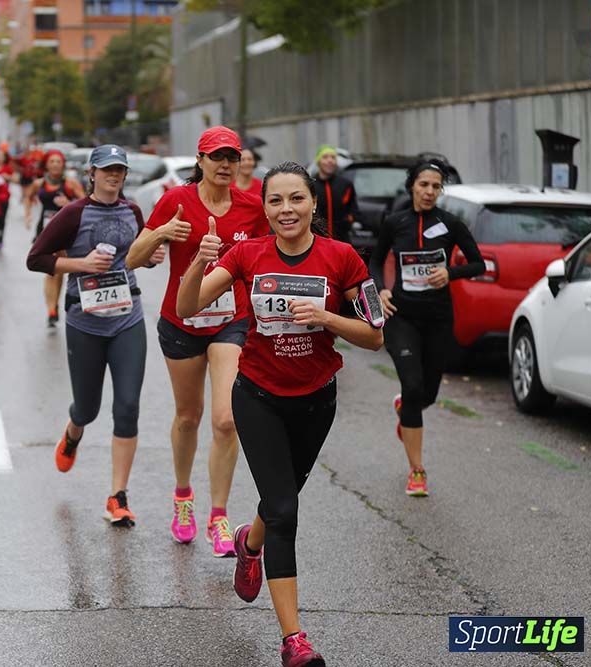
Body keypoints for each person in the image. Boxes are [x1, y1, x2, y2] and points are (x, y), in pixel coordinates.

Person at [177, 161, 383, 667]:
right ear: (264, 206)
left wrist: (328, 317)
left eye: (296, 199)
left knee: (278, 501)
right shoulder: (247, 253)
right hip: (259, 397)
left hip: (316, 400)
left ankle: (250, 543)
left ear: (314, 204)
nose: (286, 209)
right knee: (286, 510)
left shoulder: (344, 257)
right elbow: (187, 307)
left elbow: (375, 336)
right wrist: (199, 263)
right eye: (275, 201)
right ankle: (294, 641)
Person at [126, 126, 268, 557]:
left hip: (231, 320)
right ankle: (183, 496)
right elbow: (133, 258)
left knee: (226, 420)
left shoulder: (251, 206)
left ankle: (218, 515)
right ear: (200, 161)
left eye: (232, 157)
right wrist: (163, 233)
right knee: (189, 416)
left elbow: (267, 255)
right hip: (182, 321)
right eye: (217, 157)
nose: (225, 165)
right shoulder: (175, 201)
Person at [27, 145, 165, 526]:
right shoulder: (74, 213)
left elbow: (139, 254)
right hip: (85, 321)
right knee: (87, 408)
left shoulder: (133, 210)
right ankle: (73, 432)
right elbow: (35, 258)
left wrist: (151, 256)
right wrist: (80, 264)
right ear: (91, 173)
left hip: (127, 317)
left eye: (119, 169)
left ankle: (117, 496)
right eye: (107, 170)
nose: (114, 176)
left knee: (127, 407)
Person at [369, 159, 483, 497]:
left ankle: (406, 410)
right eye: (424, 185)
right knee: (413, 384)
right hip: (401, 316)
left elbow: (478, 263)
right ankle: (417, 470)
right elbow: (375, 261)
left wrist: (452, 273)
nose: (430, 191)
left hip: (437, 318)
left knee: (427, 393)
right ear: (412, 187)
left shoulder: (451, 224)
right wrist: (381, 289)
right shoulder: (395, 222)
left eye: (436, 186)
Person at [26, 149, 86, 327]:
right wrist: (28, 213)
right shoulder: (39, 184)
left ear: (63, 165)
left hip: (66, 231)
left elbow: (86, 204)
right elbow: (28, 198)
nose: (55, 165)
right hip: (45, 229)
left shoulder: (71, 183)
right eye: (52, 162)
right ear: (46, 164)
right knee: (50, 270)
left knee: (60, 269)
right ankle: (51, 308)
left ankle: (60, 302)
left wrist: (68, 204)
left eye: (58, 162)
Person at [311, 145, 358, 244]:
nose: (330, 160)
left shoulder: (345, 184)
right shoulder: (310, 184)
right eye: (325, 157)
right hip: (316, 240)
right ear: (318, 161)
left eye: (333, 157)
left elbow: (354, 209)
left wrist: (350, 219)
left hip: (341, 239)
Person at [0, 148, 17, 249]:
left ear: (4, 158)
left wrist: (8, 177)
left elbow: (16, 179)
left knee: (1, 219)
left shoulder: (7, 168)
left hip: (3, 198)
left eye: (2, 156)